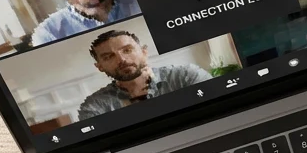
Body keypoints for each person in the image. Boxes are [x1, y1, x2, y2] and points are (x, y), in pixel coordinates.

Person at [76, 29, 209, 121]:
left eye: (127, 50)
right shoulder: (94, 106)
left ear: (144, 52)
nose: (122, 59)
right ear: (100, 67)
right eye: (109, 57)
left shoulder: (186, 76)